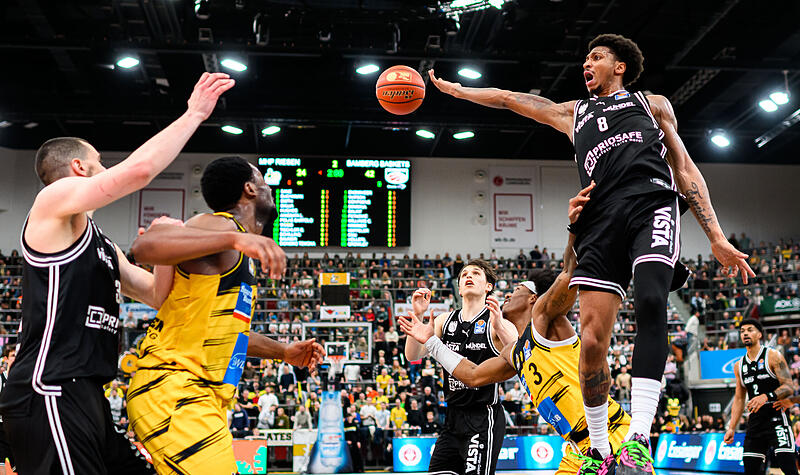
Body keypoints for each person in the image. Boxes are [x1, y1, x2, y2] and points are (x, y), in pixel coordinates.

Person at [428, 33, 754, 474]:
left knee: (653, 300)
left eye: (596, 57)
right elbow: (508, 99)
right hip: (599, 220)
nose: (586, 63)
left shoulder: (652, 104)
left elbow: (684, 167)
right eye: (585, 58)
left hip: (651, 203)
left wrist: (714, 234)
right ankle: (600, 450)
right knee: (595, 337)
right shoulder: (572, 112)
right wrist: (458, 91)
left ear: (619, 66)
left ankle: (638, 436)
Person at [0, 72, 236, 474]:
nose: (105, 167)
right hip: (50, 388)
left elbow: (156, 296)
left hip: (89, 393)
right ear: (78, 166)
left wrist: (166, 245)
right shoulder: (51, 203)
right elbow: (139, 171)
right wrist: (194, 114)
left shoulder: (103, 245)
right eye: (99, 162)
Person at [126, 156, 324, 474]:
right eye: (262, 180)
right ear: (249, 188)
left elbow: (230, 332)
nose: (268, 187)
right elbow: (144, 247)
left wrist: (283, 352)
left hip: (192, 396)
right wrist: (235, 238)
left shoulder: (232, 243)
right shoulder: (222, 225)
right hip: (176, 392)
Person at [402, 227, 641, 475]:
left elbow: (569, 273)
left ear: (533, 298)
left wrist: (574, 229)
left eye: (516, 290)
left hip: (610, 432)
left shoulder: (546, 320)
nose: (507, 295)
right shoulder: (513, 352)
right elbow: (472, 375)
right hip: (577, 448)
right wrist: (431, 342)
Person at [403, 260, 518, 475]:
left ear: (488, 286)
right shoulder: (444, 321)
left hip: (483, 417)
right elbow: (412, 356)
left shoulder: (496, 320)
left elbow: (518, 354)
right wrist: (418, 315)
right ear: (459, 287)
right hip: (452, 419)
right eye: (464, 274)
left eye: (476, 273)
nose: (468, 276)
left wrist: (500, 326)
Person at [726, 319, 798, 474]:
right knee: (751, 469)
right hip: (755, 422)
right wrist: (731, 427)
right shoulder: (739, 366)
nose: (745, 333)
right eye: (742, 331)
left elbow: (789, 387)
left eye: (750, 330)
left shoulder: (773, 356)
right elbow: (739, 398)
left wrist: (767, 396)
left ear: (759, 334)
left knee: (788, 467)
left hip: (777, 417)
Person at [0, 347, 16, 473]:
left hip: (19, 426)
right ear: (5, 359)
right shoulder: (1, 378)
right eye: (13, 355)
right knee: (2, 464)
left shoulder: (25, 378)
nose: (15, 358)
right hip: (2, 426)